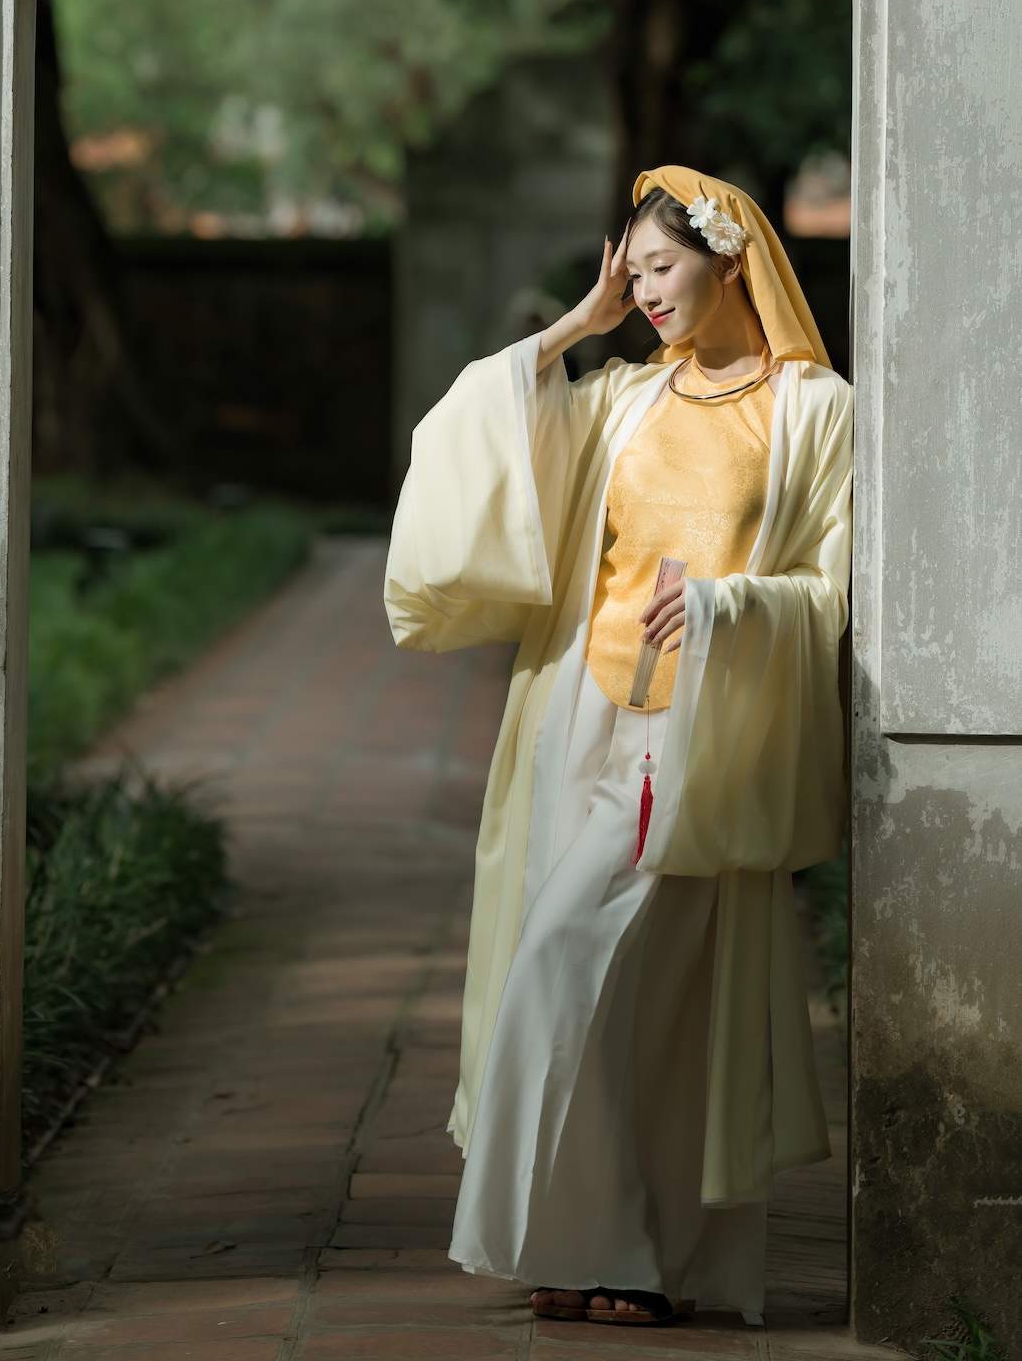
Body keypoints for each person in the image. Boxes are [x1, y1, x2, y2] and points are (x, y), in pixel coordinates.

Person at [383, 165, 853, 1328]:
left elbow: (830, 587)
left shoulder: (814, 411)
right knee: (564, 974)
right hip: (579, 723)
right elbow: (481, 432)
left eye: (659, 267)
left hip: (705, 734)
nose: (641, 290)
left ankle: (640, 1255)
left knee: (641, 993)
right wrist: (570, 329)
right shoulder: (622, 399)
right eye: (628, 271)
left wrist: (731, 609)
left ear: (729, 257)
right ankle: (588, 1243)